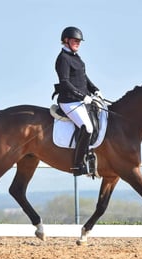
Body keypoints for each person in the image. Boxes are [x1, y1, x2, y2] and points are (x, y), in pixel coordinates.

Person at [54, 26, 104, 176]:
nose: (77, 43)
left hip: (81, 100)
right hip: (69, 101)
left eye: (79, 41)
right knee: (87, 127)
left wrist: (95, 89)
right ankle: (77, 164)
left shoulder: (76, 57)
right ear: (66, 40)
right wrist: (82, 96)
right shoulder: (63, 58)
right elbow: (65, 83)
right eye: (75, 40)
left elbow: (83, 77)